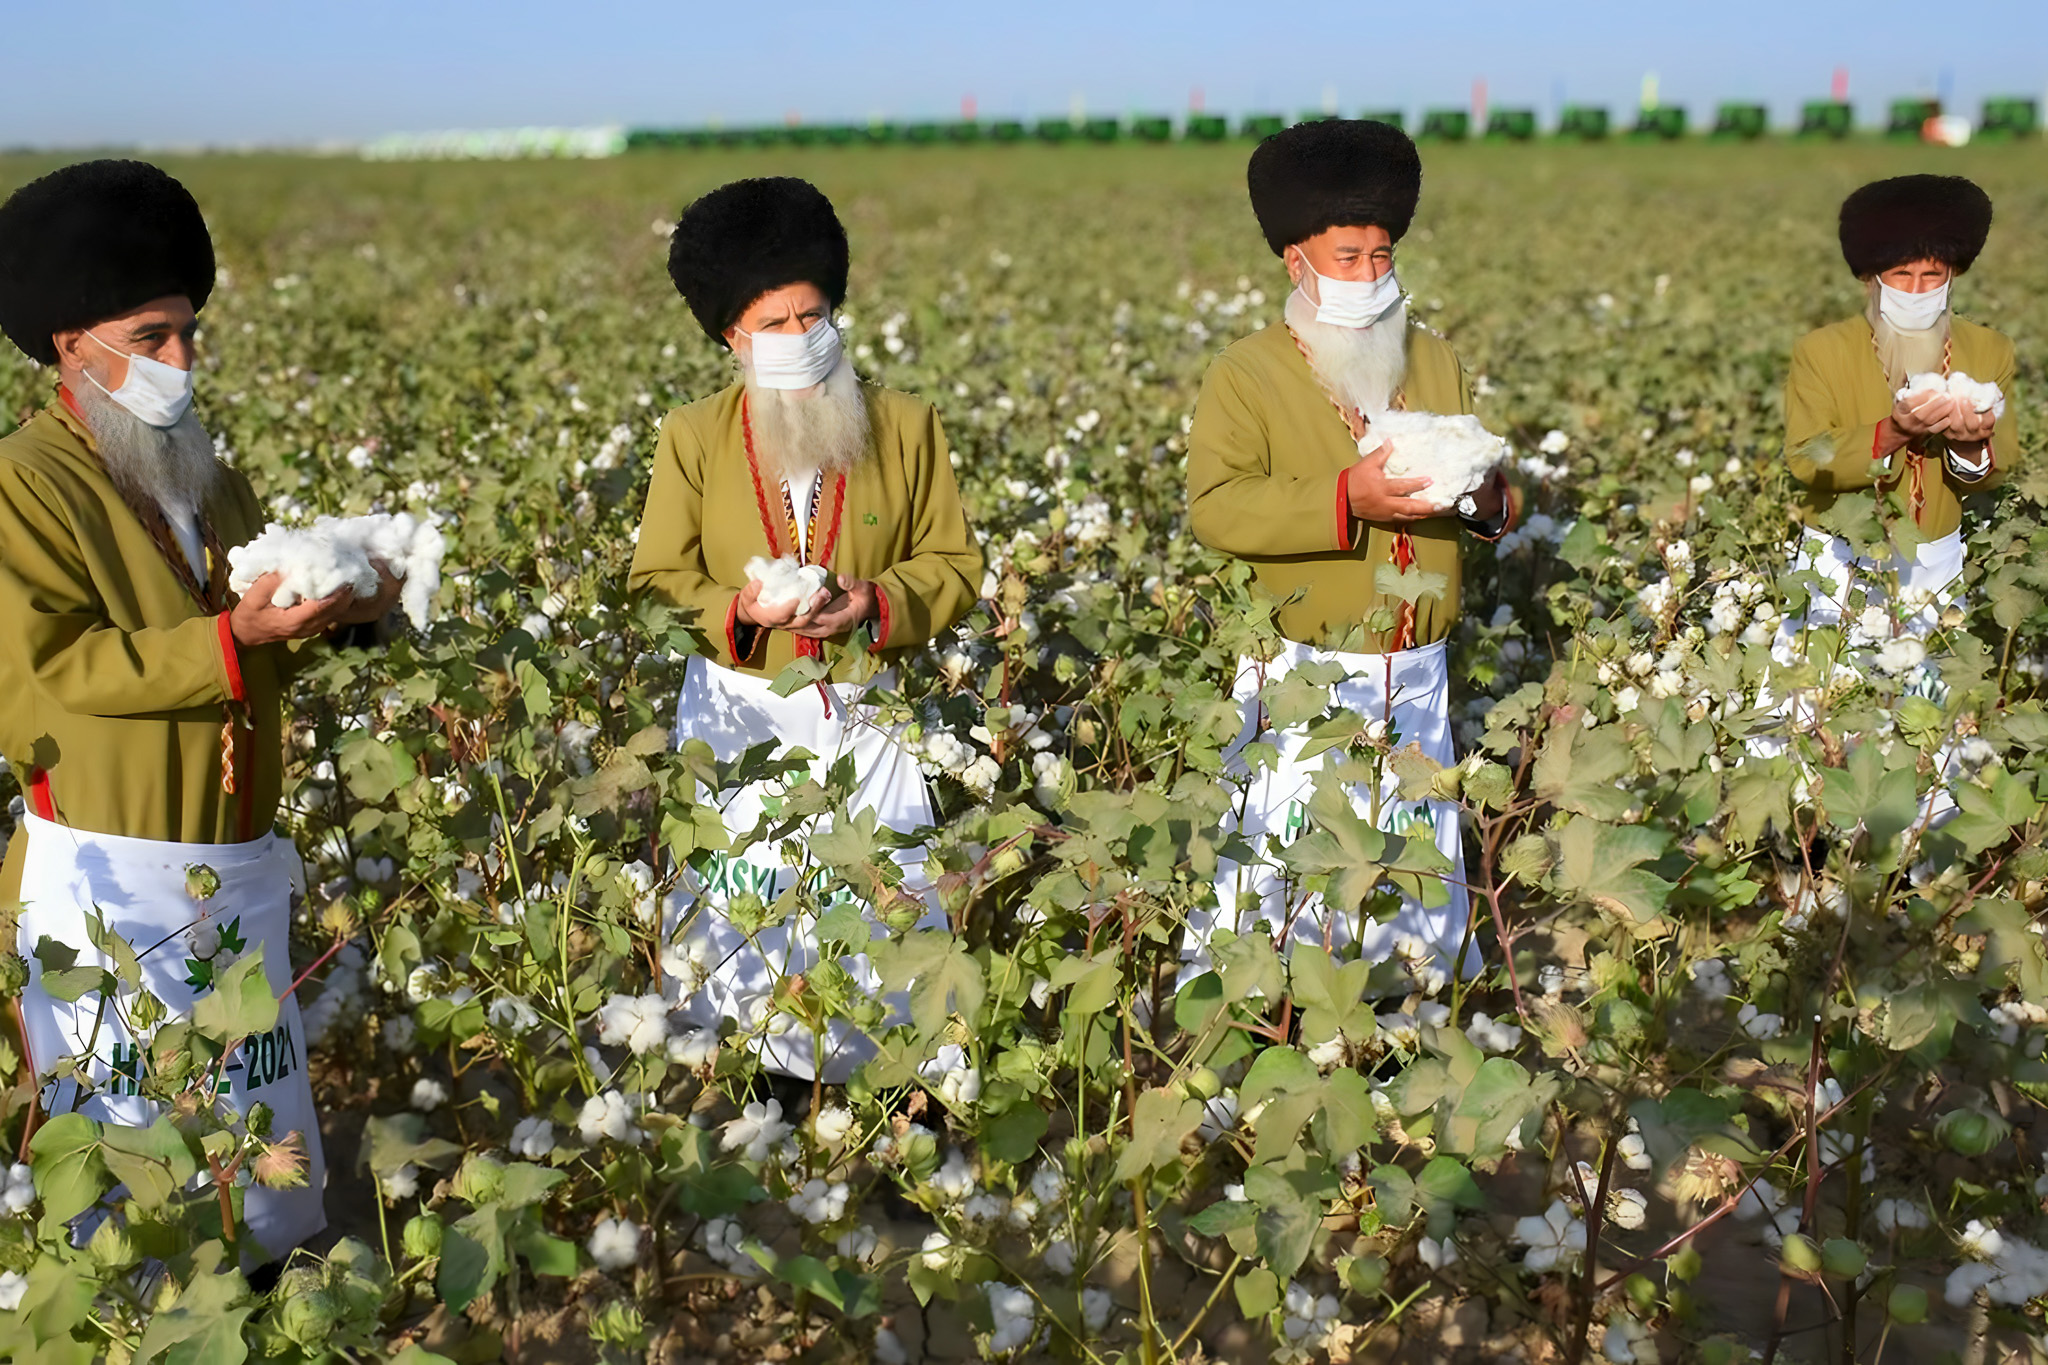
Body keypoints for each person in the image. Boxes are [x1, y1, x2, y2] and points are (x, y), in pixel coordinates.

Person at [0, 160, 399, 1257]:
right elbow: (48, 675)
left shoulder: (206, 477)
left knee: (243, 1144)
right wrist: (235, 639)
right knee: (128, 1171)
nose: (180, 362)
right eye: (151, 337)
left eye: (188, 333)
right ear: (70, 343)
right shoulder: (22, 484)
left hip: (231, 869)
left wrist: (351, 610)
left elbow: (261, 649)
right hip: (106, 890)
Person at [629, 176, 982, 1081]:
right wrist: (737, 613)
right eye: (774, 325)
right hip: (739, 723)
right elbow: (657, 582)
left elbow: (955, 567)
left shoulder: (904, 426)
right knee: (747, 936)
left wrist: (872, 601)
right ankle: (753, 1098)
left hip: (867, 719)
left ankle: (898, 1105)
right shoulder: (693, 436)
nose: (799, 339)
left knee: (881, 933)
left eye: (812, 316)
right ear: (729, 338)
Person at [1183, 120, 1513, 983]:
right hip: (1307, 669)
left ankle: (1413, 1009)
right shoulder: (1247, 373)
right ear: (1297, 263)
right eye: (1347, 258)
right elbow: (1216, 509)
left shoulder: (1432, 357)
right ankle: (1265, 1013)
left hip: (1421, 663)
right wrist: (1345, 499)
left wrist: (1480, 495)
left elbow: (1490, 486)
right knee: (1285, 873)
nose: (1370, 276)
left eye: (1382, 255)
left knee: (1410, 865)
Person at [1780, 174, 2013, 646]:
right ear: (1872, 277)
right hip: (1840, 561)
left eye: (1932, 276)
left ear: (1955, 274)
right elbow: (1806, 457)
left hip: (1937, 561)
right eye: (1902, 276)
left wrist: (1971, 447)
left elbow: (1998, 470)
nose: (1917, 288)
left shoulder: (1991, 350)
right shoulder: (1822, 351)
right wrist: (1891, 432)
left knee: (1924, 708)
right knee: (1820, 702)